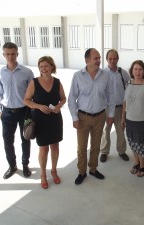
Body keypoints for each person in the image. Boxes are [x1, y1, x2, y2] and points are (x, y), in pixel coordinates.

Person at [68, 48, 115, 185]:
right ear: (87, 60)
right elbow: (72, 99)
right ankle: (81, 172)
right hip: (83, 117)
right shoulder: (78, 76)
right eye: (96, 58)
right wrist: (74, 118)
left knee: (96, 146)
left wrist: (111, 114)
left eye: (99, 58)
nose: (99, 61)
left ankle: (93, 169)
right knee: (82, 147)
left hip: (100, 117)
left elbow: (111, 97)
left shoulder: (105, 75)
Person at [23, 56, 66, 189]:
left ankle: (54, 171)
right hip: (40, 120)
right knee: (43, 148)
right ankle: (43, 174)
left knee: (55, 146)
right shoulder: (34, 82)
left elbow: (63, 99)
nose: (43, 69)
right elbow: (26, 100)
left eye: (46, 66)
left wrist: (59, 106)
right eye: (41, 66)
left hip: (55, 119)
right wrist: (39, 106)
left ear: (52, 67)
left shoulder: (57, 82)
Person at [0, 42, 34, 179]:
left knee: (25, 139)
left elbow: (32, 93)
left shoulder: (27, 72)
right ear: (4, 54)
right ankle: (12, 166)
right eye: (7, 54)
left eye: (13, 54)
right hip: (6, 112)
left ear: (17, 54)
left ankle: (25, 165)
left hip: (24, 111)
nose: (10, 57)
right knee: (7, 141)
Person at [121, 60, 144, 177]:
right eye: (135, 69)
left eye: (140, 69)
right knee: (132, 143)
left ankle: (142, 166)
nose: (137, 72)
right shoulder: (128, 83)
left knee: (141, 144)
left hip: (142, 121)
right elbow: (125, 102)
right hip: (130, 120)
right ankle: (136, 163)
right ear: (132, 71)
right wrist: (123, 117)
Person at [100, 49, 130, 163]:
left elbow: (130, 87)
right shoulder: (102, 73)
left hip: (120, 108)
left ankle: (122, 151)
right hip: (106, 108)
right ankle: (104, 152)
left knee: (121, 130)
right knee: (105, 130)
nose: (112, 61)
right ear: (107, 60)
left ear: (117, 59)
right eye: (110, 58)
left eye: (114, 58)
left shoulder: (123, 73)